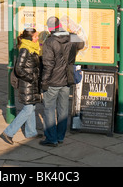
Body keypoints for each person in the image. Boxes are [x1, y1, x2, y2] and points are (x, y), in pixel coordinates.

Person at [40, 16, 84, 147]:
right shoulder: (71, 36)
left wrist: (44, 82)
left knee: (49, 109)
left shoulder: (49, 42)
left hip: (53, 80)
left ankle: (51, 138)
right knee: (63, 109)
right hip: (67, 78)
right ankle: (60, 136)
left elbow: (48, 65)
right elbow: (82, 44)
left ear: (50, 28)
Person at [0, 28, 42, 145]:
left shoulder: (32, 48)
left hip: (32, 84)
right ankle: (8, 132)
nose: (37, 38)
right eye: (35, 36)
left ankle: (31, 132)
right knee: (27, 109)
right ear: (30, 38)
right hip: (27, 84)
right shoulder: (25, 49)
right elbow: (19, 69)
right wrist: (31, 77)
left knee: (32, 107)